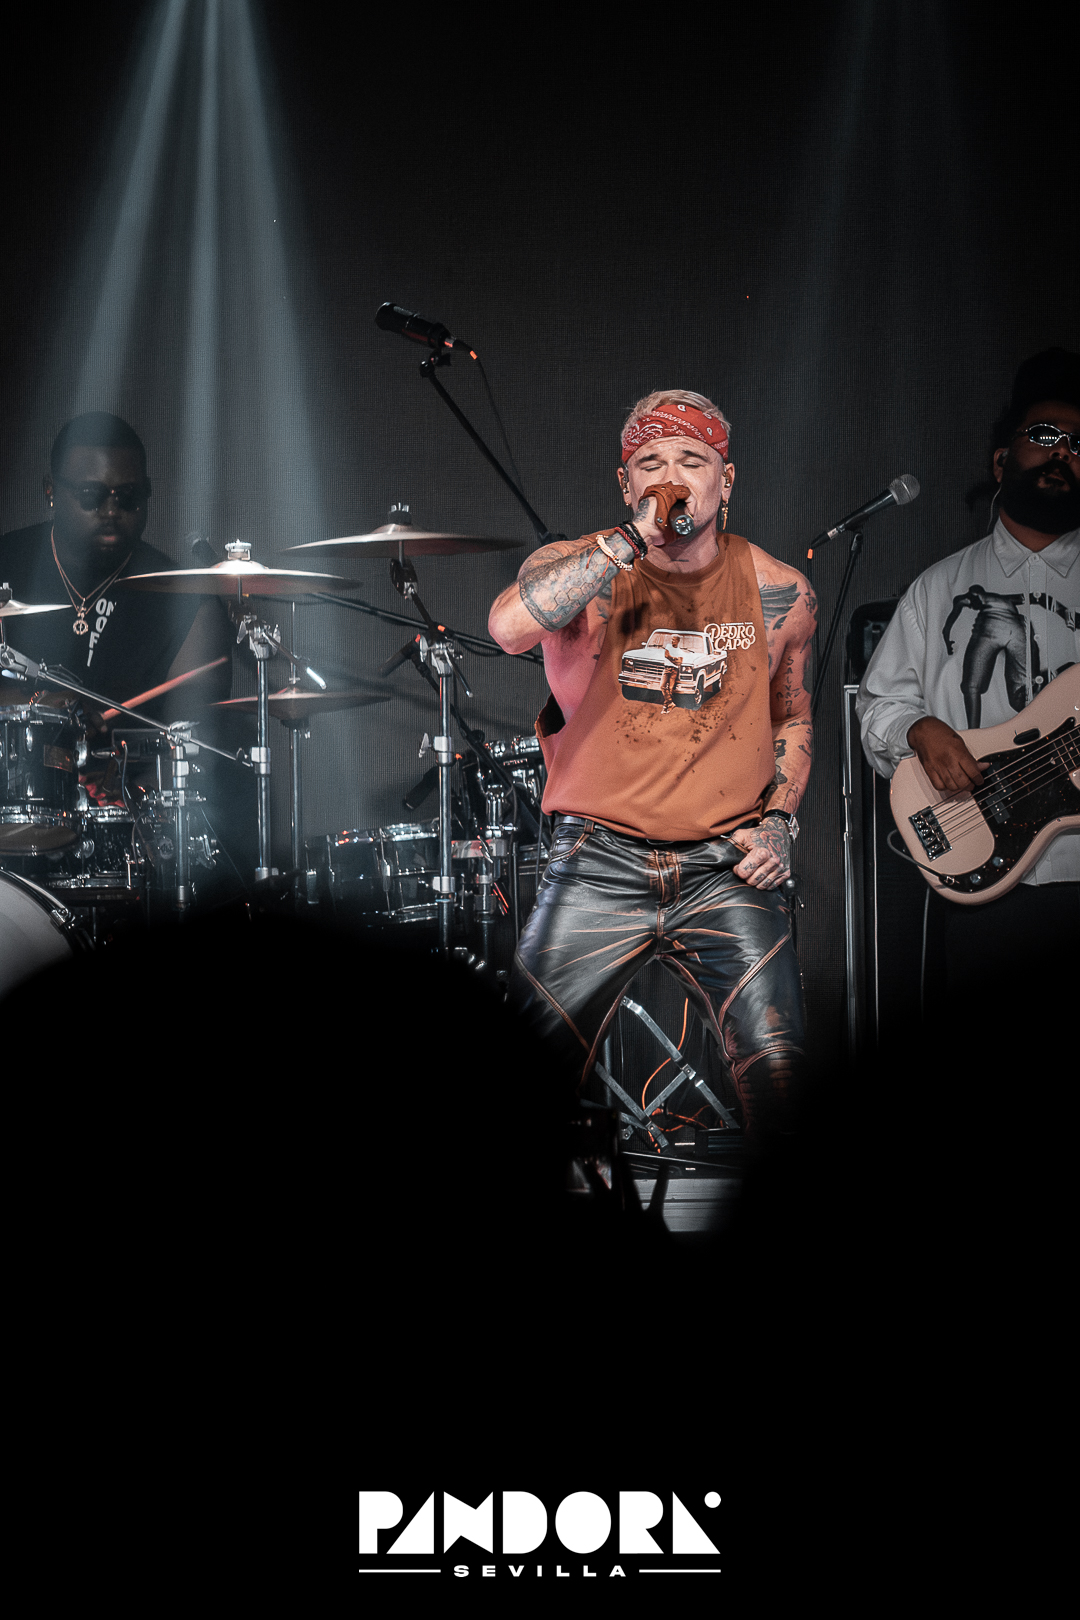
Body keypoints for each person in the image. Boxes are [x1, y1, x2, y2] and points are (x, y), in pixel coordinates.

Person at [488, 389, 817, 1140]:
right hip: (598, 858)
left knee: (782, 1074)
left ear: (725, 481)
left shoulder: (781, 591)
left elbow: (793, 717)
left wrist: (780, 822)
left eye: (691, 460)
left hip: (723, 864)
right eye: (651, 462)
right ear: (626, 482)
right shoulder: (578, 569)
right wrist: (631, 539)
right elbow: (509, 627)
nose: (671, 476)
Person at [857, 348, 1080, 1004]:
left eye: (1078, 444)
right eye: (1045, 435)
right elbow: (878, 707)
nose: (1063, 453)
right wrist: (920, 730)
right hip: (983, 869)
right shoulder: (938, 588)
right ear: (1001, 460)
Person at [0, 412, 231, 720]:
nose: (111, 511)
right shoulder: (8, 559)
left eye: (127, 496)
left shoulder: (184, 601)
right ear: (50, 490)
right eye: (91, 495)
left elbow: (194, 732)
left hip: (124, 752)